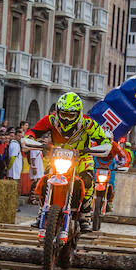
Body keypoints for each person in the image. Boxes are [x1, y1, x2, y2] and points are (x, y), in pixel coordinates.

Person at [26, 92, 111, 232]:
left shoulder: (88, 123)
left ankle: (85, 215)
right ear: (58, 111)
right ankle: (42, 210)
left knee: (88, 179)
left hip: (81, 157)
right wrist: (29, 139)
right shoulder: (51, 120)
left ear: (78, 113)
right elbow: (33, 131)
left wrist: (100, 147)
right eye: (63, 114)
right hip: (56, 157)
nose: (66, 118)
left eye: (70, 115)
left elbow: (105, 141)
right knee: (45, 178)